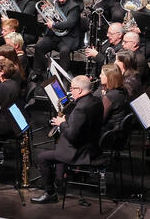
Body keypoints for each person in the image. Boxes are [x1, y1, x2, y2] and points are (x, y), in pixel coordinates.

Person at [31, 74, 103, 203]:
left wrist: (61, 123)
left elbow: (71, 136)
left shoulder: (80, 108)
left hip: (80, 152)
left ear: (79, 90)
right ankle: (60, 182)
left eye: (72, 88)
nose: (70, 91)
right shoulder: (96, 100)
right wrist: (68, 121)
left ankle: (50, 193)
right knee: (59, 147)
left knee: (42, 157)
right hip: (92, 145)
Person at [32, 0, 82, 78]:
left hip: (68, 38)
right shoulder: (54, 3)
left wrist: (54, 24)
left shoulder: (74, 6)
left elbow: (69, 23)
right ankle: (39, 72)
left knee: (64, 52)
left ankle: (62, 76)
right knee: (39, 46)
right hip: (54, 35)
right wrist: (45, 12)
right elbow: (47, 20)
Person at [0, 58, 24, 139]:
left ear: (2, 72)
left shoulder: (1, 88)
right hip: (14, 119)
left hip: (5, 124)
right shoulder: (14, 83)